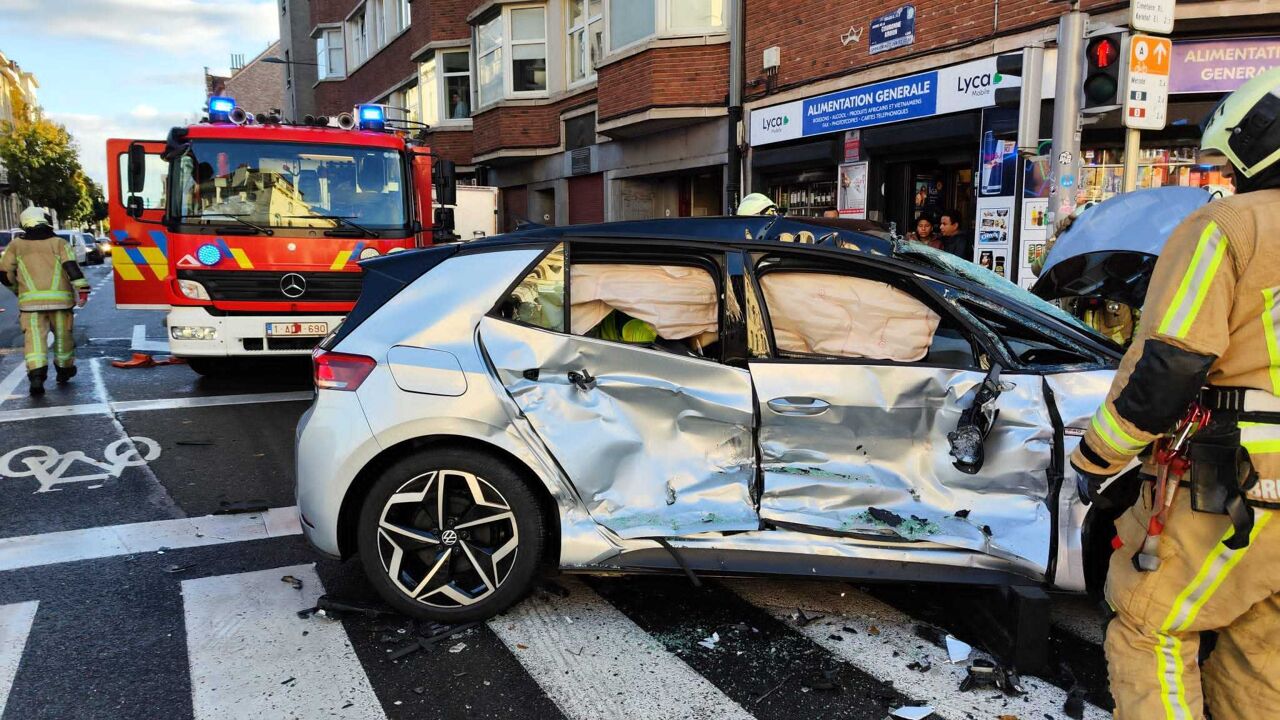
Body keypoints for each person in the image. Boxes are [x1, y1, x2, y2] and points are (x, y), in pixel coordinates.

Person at [1071, 67, 1280, 720]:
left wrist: (1096, 458)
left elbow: (1168, 369)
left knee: (1148, 625)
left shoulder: (1229, 227)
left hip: (1239, 479)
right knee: (1262, 642)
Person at [0, 207, 89, 395]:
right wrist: (82, 290)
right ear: (45, 220)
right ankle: (64, 370)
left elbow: (4, 274)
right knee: (64, 337)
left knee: (34, 341)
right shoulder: (59, 243)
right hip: (61, 303)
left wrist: (18, 290)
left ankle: (37, 376)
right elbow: (71, 267)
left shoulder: (16, 245)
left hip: (30, 305)